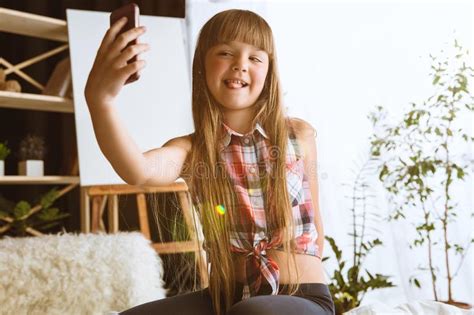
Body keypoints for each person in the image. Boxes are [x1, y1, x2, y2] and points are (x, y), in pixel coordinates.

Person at [85, 8, 335, 315]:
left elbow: (317, 229)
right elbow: (139, 170)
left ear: (269, 72)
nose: (241, 65)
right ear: (203, 65)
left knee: (255, 312)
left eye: (255, 58)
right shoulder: (193, 151)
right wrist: (101, 101)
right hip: (222, 299)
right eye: (226, 52)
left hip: (301, 297)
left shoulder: (298, 134)